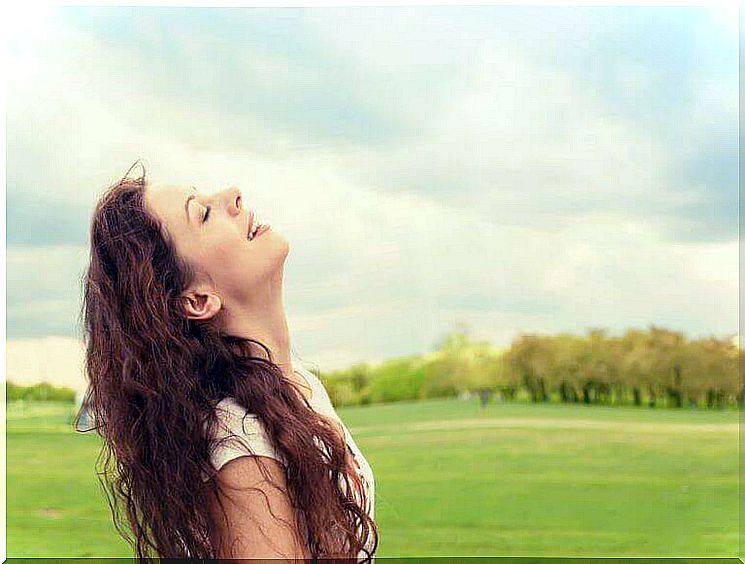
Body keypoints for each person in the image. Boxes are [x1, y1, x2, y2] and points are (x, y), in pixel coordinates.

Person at [74, 162, 378, 560]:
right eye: (202, 213)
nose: (233, 194)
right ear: (198, 300)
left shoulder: (297, 385)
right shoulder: (241, 443)